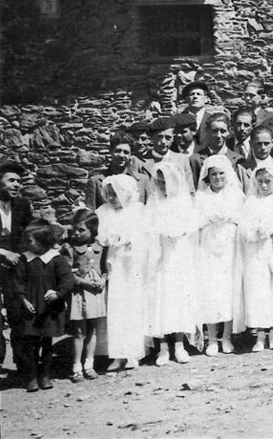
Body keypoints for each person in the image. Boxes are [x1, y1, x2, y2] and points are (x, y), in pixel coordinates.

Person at [145, 163, 201, 366]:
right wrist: (158, 232)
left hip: (178, 254)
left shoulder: (183, 200)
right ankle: (162, 348)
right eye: (158, 181)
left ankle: (179, 345)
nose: (161, 185)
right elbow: (147, 225)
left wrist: (179, 231)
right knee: (160, 299)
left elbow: (193, 224)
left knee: (178, 299)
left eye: (164, 181)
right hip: (159, 256)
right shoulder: (153, 200)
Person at [12, 219, 76, 391]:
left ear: (42, 241)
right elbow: (17, 282)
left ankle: (45, 376)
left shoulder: (56, 259)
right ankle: (32, 377)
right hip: (30, 308)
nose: (26, 244)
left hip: (49, 309)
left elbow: (68, 280)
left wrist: (57, 294)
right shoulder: (25, 259)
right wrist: (23, 300)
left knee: (47, 344)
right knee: (30, 344)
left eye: (30, 241)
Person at [236, 167, 273, 351]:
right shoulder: (251, 202)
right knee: (258, 292)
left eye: (267, 181)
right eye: (260, 181)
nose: (263, 185)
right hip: (256, 252)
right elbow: (243, 228)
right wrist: (255, 232)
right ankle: (260, 336)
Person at [96, 174, 148, 372]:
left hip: (134, 263)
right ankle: (118, 354)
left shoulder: (138, 210)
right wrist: (109, 238)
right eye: (108, 194)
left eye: (115, 194)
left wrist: (129, 239)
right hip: (114, 263)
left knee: (134, 305)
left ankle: (134, 352)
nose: (111, 198)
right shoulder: (103, 211)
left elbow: (145, 234)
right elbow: (100, 234)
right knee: (117, 306)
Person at [195, 155, 244, 356]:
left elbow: (244, 217)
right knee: (210, 291)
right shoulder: (201, 196)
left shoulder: (236, 195)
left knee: (228, 290)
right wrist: (208, 218)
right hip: (208, 247)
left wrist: (230, 217)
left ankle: (226, 336)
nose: (217, 178)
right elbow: (195, 220)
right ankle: (212, 338)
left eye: (221, 173)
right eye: (213, 174)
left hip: (229, 246)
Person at [61, 209, 106, 383]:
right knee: (79, 331)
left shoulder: (99, 247)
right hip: (79, 291)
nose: (77, 233)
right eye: (74, 230)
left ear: (93, 230)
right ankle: (76, 366)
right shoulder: (69, 248)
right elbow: (67, 273)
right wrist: (84, 282)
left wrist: (103, 280)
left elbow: (104, 268)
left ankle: (89, 364)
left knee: (93, 329)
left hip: (96, 292)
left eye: (81, 230)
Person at [0, 162, 33, 366]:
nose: (16, 185)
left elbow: (30, 233)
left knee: (17, 314)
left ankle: (23, 366)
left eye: (19, 181)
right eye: (11, 180)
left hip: (14, 267)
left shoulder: (22, 205)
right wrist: (1, 252)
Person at [85, 130, 152, 209]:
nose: (121, 155)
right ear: (110, 151)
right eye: (118, 151)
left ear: (131, 155)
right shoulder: (96, 182)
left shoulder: (143, 181)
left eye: (126, 152)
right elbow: (90, 215)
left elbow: (149, 211)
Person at [140, 117, 197, 193]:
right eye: (159, 137)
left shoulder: (182, 159)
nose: (163, 142)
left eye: (168, 138)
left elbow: (190, 191)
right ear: (152, 138)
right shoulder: (141, 160)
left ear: (173, 138)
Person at [237, 127, 273, 203]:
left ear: (272, 143)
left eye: (266, 143)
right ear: (251, 143)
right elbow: (240, 199)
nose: (263, 148)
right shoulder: (242, 169)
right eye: (259, 144)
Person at [191, 112, 245, 181]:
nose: (219, 136)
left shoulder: (238, 159)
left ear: (228, 131)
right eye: (214, 131)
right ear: (207, 131)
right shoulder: (195, 160)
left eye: (223, 131)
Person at [180, 80, 227, 148]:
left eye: (199, 94)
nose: (195, 97)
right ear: (187, 99)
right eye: (192, 94)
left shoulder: (213, 120)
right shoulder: (178, 120)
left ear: (206, 99)